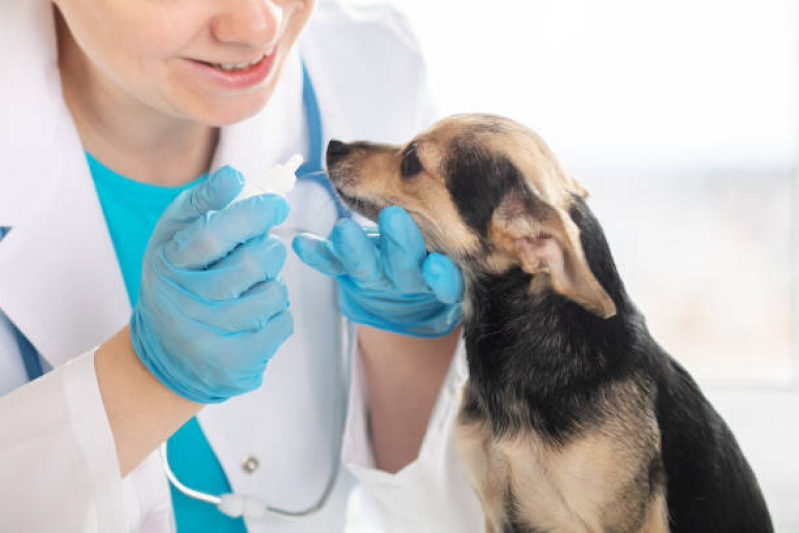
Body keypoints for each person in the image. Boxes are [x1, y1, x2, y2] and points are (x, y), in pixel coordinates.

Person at [0, 0, 483, 531]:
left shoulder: (368, 64)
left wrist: (409, 339)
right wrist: (143, 380)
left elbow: (448, 510)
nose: (260, 26)